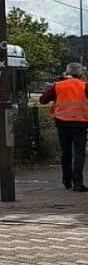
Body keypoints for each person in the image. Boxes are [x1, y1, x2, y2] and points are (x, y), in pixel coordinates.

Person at [39, 62, 88, 191]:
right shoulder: (85, 86)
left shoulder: (58, 85)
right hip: (80, 123)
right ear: (80, 73)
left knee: (65, 152)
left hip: (62, 122)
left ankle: (67, 181)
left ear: (67, 72)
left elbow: (43, 100)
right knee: (79, 153)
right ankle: (78, 183)